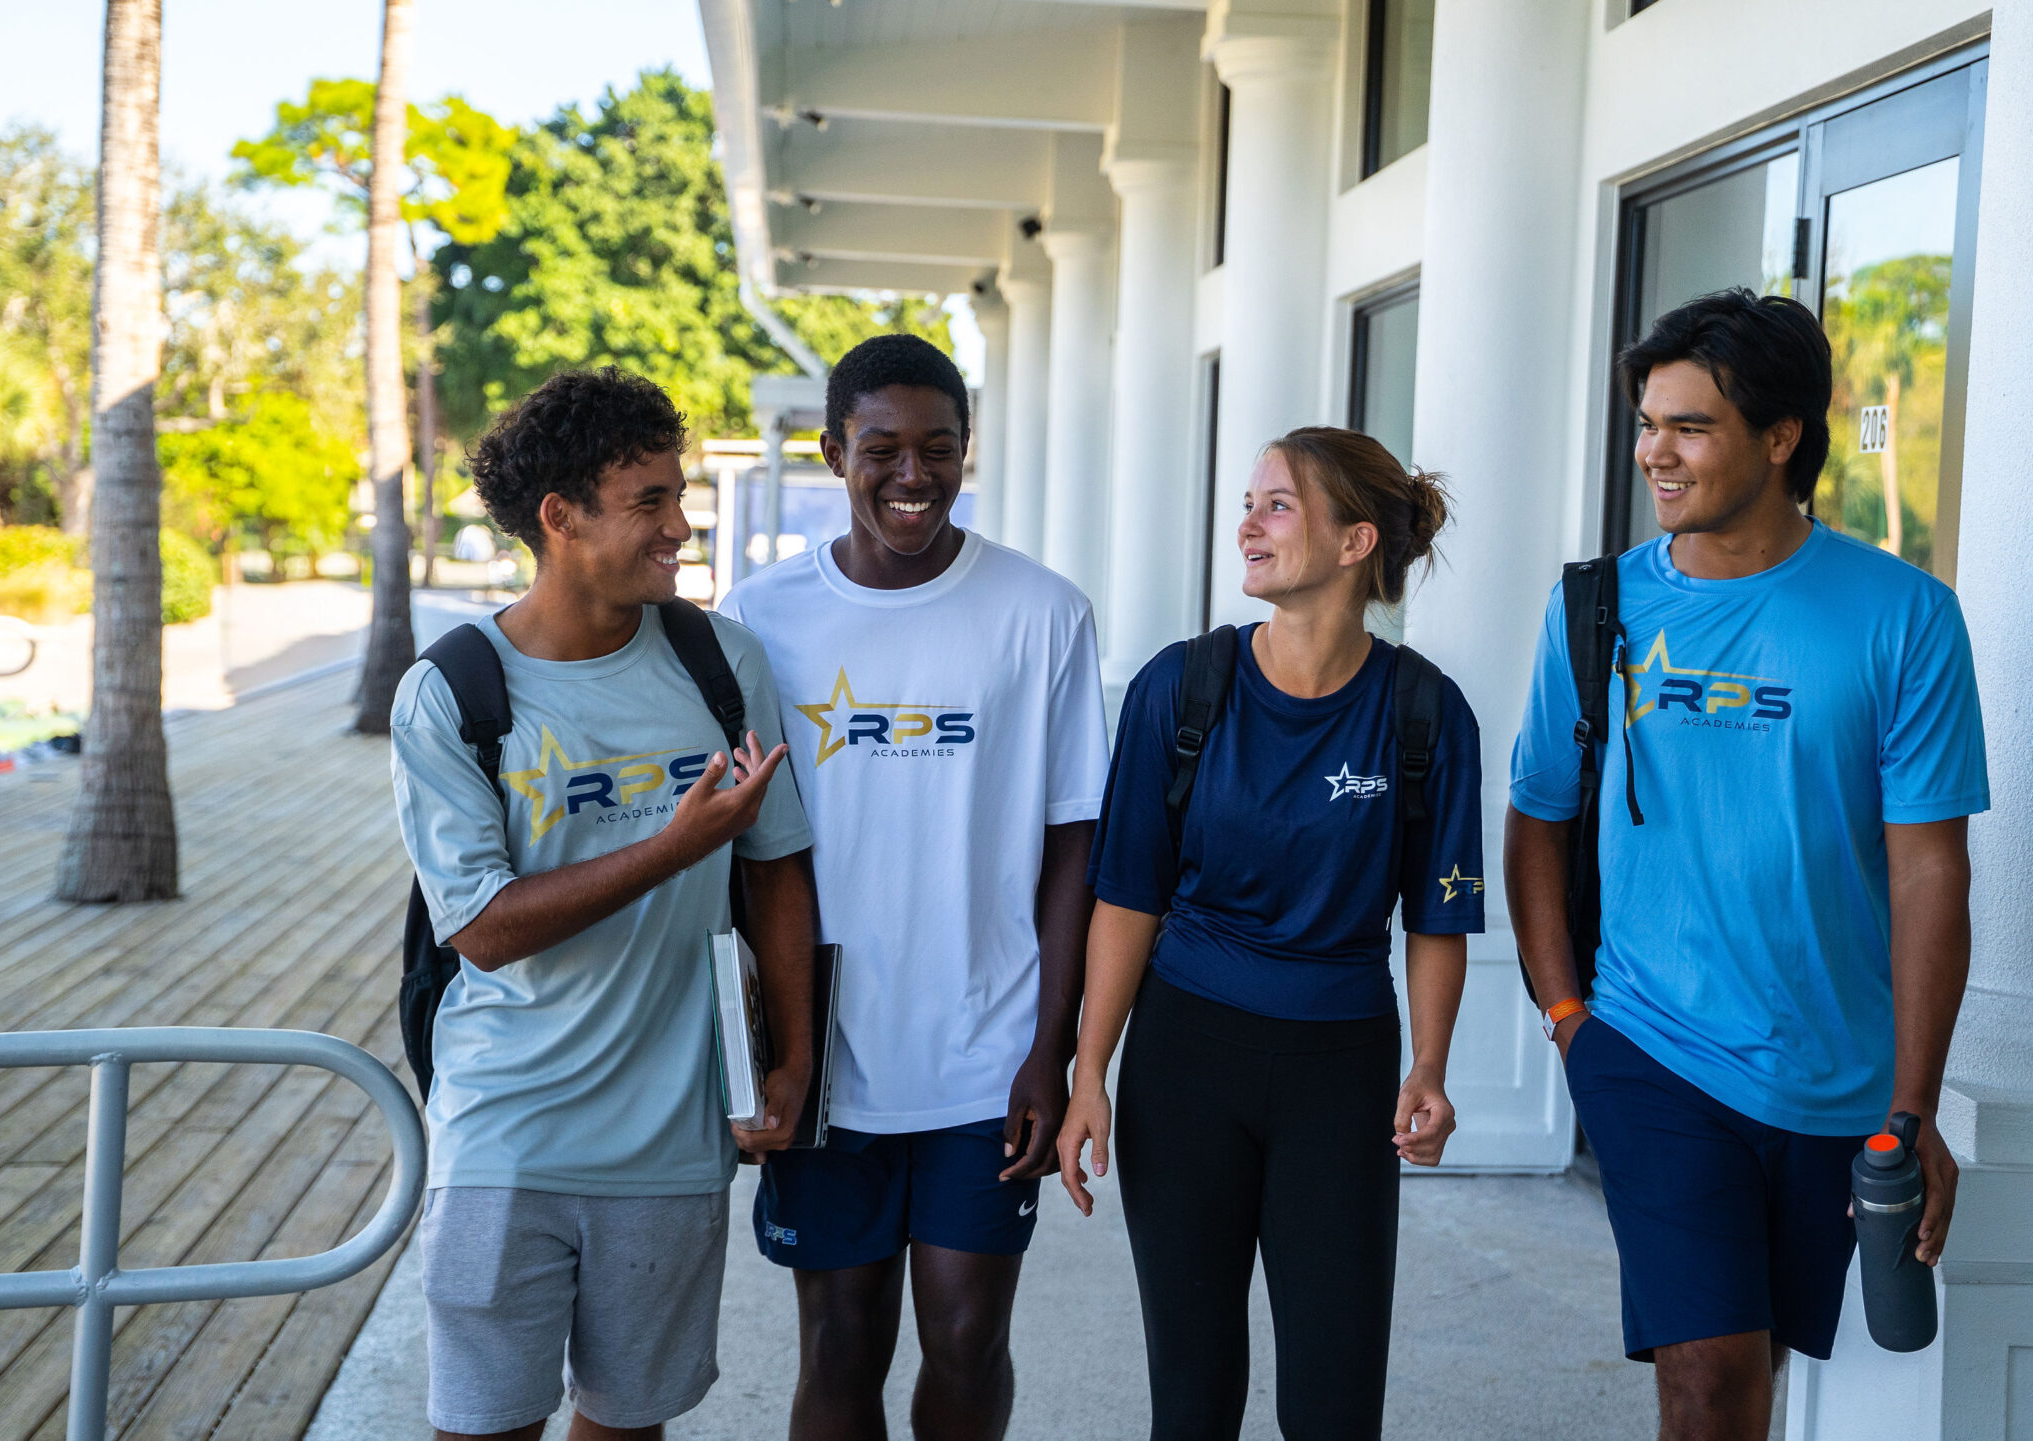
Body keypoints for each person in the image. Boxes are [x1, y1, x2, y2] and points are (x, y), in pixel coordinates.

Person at [1504, 289, 1987, 1441]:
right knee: (1708, 1372)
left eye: (1689, 427)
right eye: (1646, 422)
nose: (1651, 453)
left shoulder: (1904, 617)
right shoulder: (1600, 605)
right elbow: (1536, 817)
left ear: (1780, 438)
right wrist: (1569, 1012)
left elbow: (1930, 872)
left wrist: (1913, 1102)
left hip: (1833, 1068)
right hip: (1649, 1040)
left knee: (1755, 1368)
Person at [390, 368, 819, 1441]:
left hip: (672, 1138)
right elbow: (482, 929)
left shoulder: (721, 661)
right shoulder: (452, 691)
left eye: (680, 497)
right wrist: (672, 849)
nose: (682, 526)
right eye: (651, 503)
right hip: (505, 1131)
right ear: (560, 517)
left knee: (627, 1426)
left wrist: (795, 1058)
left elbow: (775, 866)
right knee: (482, 1426)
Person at [1055, 427, 1484, 1441]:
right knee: (1193, 1399)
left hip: (1340, 1071)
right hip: (1186, 1059)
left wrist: (1429, 1066)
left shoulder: (1425, 714)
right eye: (1248, 501)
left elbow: (1437, 915)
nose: (1246, 523)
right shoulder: (1181, 688)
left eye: (1278, 504)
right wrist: (1088, 1073)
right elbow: (1127, 895)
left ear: (1353, 542)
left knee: (1334, 1409)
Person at [719, 334, 1107, 1441]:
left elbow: (1074, 842)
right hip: (823, 1052)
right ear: (832, 449)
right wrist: (758, 1054)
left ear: (965, 451)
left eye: (938, 447)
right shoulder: (760, 615)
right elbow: (736, 855)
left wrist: (1053, 1047)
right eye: (880, 447)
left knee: (967, 1333)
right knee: (839, 1339)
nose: (911, 474)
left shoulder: (1042, 612)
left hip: (985, 1049)